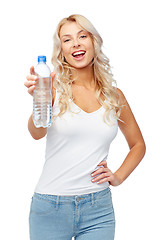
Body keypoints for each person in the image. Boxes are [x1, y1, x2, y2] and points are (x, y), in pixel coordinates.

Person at [24, 14, 146, 240]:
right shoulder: (52, 90)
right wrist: (42, 101)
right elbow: (36, 133)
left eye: (82, 36)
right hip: (50, 208)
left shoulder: (114, 96)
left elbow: (138, 145)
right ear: (61, 50)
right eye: (67, 39)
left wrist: (118, 177)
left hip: (98, 210)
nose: (76, 43)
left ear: (93, 42)